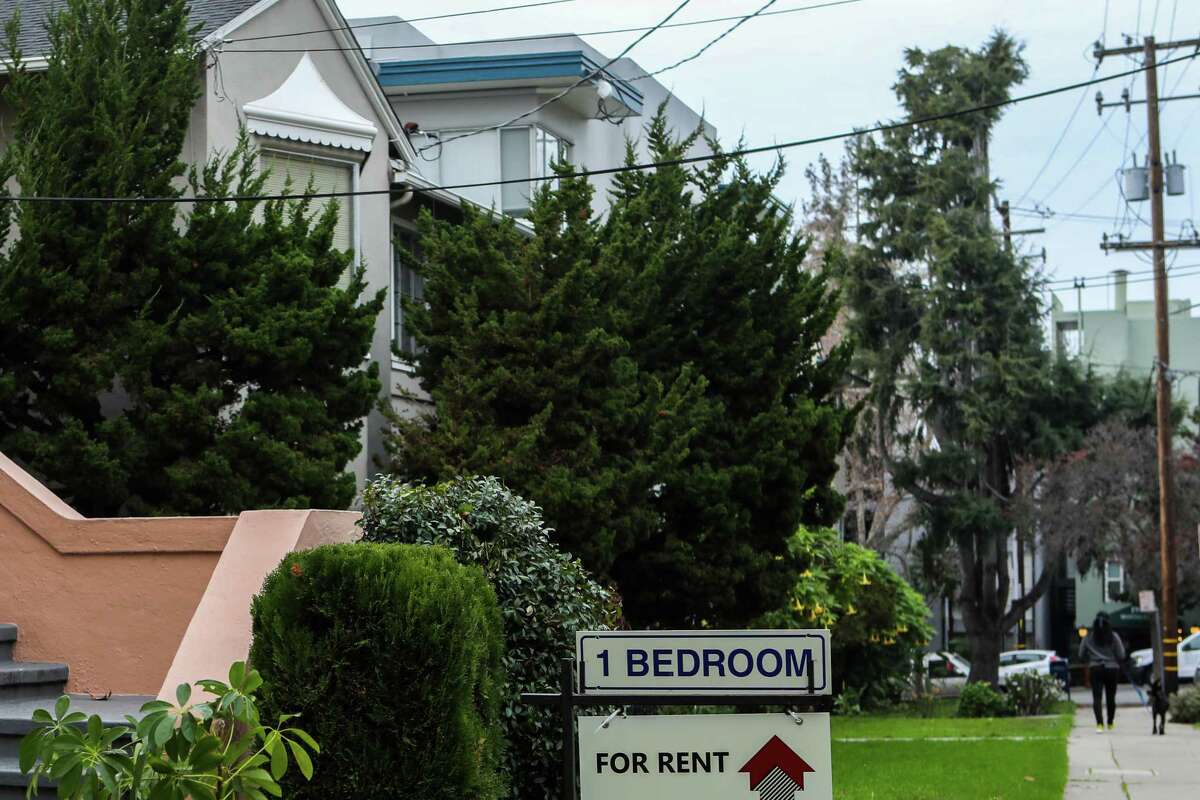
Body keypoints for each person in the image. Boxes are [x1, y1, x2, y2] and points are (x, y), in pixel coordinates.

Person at [1079, 612, 1126, 733]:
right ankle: (1110, 723)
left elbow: (1081, 654)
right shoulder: (1114, 637)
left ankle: (1099, 724)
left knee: (1097, 697)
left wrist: (1090, 658)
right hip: (1112, 669)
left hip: (1095, 668)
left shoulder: (1088, 637)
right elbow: (1121, 654)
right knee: (1111, 697)